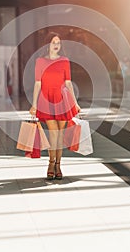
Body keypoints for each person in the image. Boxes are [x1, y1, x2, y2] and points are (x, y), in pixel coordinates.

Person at [29, 32, 81, 180]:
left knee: (60, 136)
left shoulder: (65, 61)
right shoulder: (40, 61)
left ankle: (58, 165)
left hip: (63, 100)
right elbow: (38, 83)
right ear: (47, 45)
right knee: (53, 134)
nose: (56, 45)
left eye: (58, 42)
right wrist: (34, 104)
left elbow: (68, 83)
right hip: (47, 100)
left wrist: (75, 103)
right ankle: (51, 164)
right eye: (53, 42)